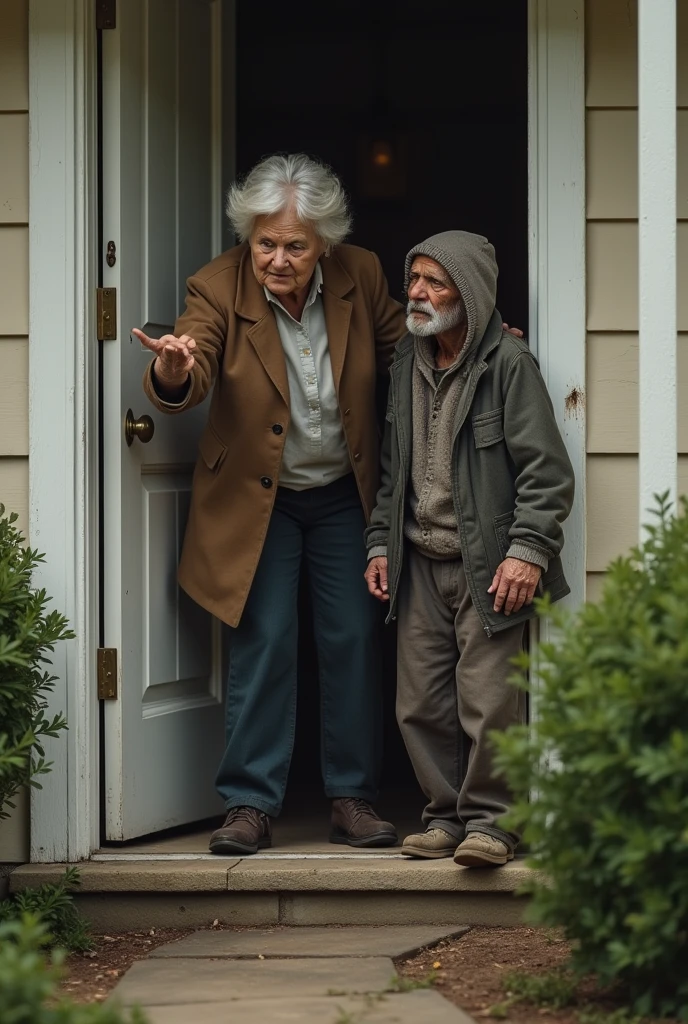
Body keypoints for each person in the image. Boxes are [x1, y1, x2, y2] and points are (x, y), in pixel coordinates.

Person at [134, 154, 407, 855]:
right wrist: (171, 367)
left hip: (345, 494)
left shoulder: (362, 275)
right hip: (261, 500)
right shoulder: (217, 287)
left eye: (294, 245)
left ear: (324, 244)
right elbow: (189, 366)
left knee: (351, 638)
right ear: (247, 237)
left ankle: (351, 796)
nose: (276, 259)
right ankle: (249, 805)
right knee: (264, 641)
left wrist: (477, 350)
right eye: (264, 242)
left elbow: (407, 350)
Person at [365, 230, 575, 868]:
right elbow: (390, 471)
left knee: (489, 700)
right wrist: (380, 541)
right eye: (415, 280)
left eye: (435, 281)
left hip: (490, 566)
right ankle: (444, 817)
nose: (419, 294)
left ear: (472, 293)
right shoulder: (406, 360)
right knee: (420, 701)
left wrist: (528, 551)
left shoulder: (509, 365)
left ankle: (494, 823)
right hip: (419, 560)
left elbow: (547, 472)